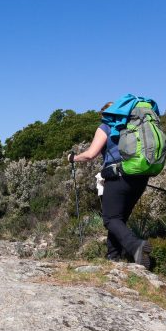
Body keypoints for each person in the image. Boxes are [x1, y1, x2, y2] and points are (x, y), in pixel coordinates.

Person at [68, 102, 152, 267]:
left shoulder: (106, 126)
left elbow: (90, 154)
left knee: (110, 219)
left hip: (118, 175)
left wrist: (73, 158)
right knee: (119, 219)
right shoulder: (134, 124)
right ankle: (113, 257)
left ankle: (136, 246)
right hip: (141, 176)